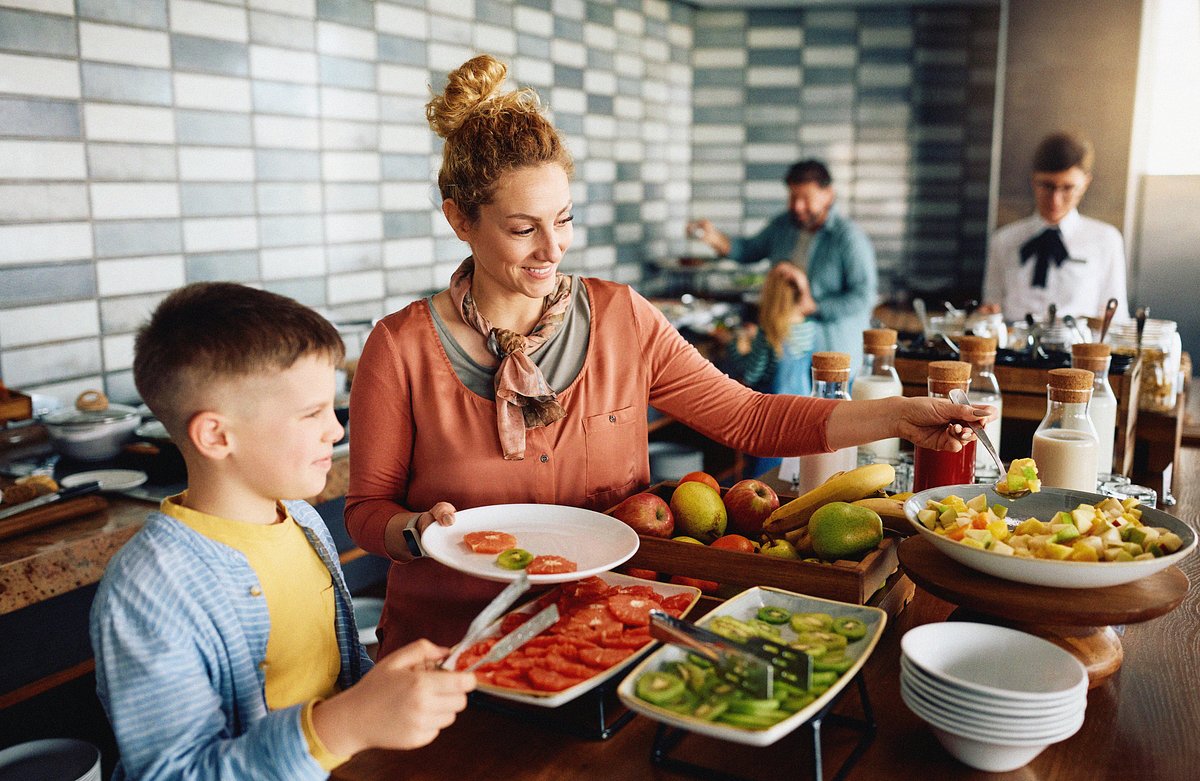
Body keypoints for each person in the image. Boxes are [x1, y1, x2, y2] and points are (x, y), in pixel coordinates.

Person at [345, 54, 992, 656]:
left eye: (564, 219)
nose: (553, 248)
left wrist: (900, 415)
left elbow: (750, 418)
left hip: (603, 637)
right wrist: (417, 529)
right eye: (523, 228)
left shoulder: (625, 318)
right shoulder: (399, 347)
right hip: (446, 653)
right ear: (460, 219)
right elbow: (367, 509)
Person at [90, 283, 475, 781]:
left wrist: (381, 691)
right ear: (216, 435)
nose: (336, 431)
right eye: (312, 414)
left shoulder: (301, 519)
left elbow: (329, 677)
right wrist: (347, 725)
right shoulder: (148, 593)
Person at [687, 159, 877, 372]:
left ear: (828, 194)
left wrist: (814, 307)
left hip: (833, 357)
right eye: (793, 197)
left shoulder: (849, 238)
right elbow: (749, 250)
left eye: (806, 198)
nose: (797, 206)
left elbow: (864, 297)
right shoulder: (783, 225)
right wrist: (714, 238)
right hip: (786, 350)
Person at [981, 131, 1129, 322]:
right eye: (1047, 186)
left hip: (1076, 348)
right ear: (1034, 180)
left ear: (1085, 183)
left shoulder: (1106, 239)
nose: (1055, 200)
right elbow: (991, 310)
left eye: (1067, 188)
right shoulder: (1003, 240)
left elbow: (1115, 317)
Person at [719, 270, 816, 477]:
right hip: (802, 409)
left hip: (772, 416)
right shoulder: (809, 327)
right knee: (788, 475)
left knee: (763, 477)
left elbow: (752, 373)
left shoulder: (769, 332)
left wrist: (735, 345)